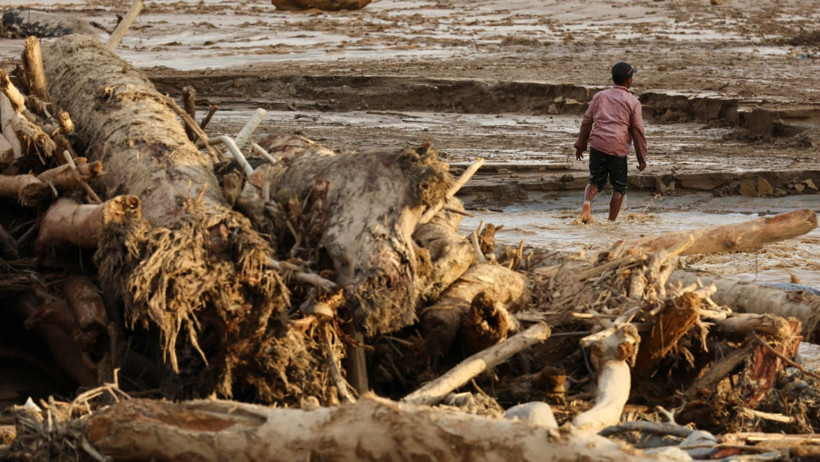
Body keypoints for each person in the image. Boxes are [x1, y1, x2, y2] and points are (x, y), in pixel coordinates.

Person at [574, 62, 647, 223]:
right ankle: (611, 222)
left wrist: (581, 145)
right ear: (629, 81)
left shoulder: (599, 96)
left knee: (595, 181)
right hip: (618, 148)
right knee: (619, 187)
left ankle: (587, 203)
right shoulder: (633, 102)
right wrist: (642, 158)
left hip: (598, 145)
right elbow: (637, 132)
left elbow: (586, 122)